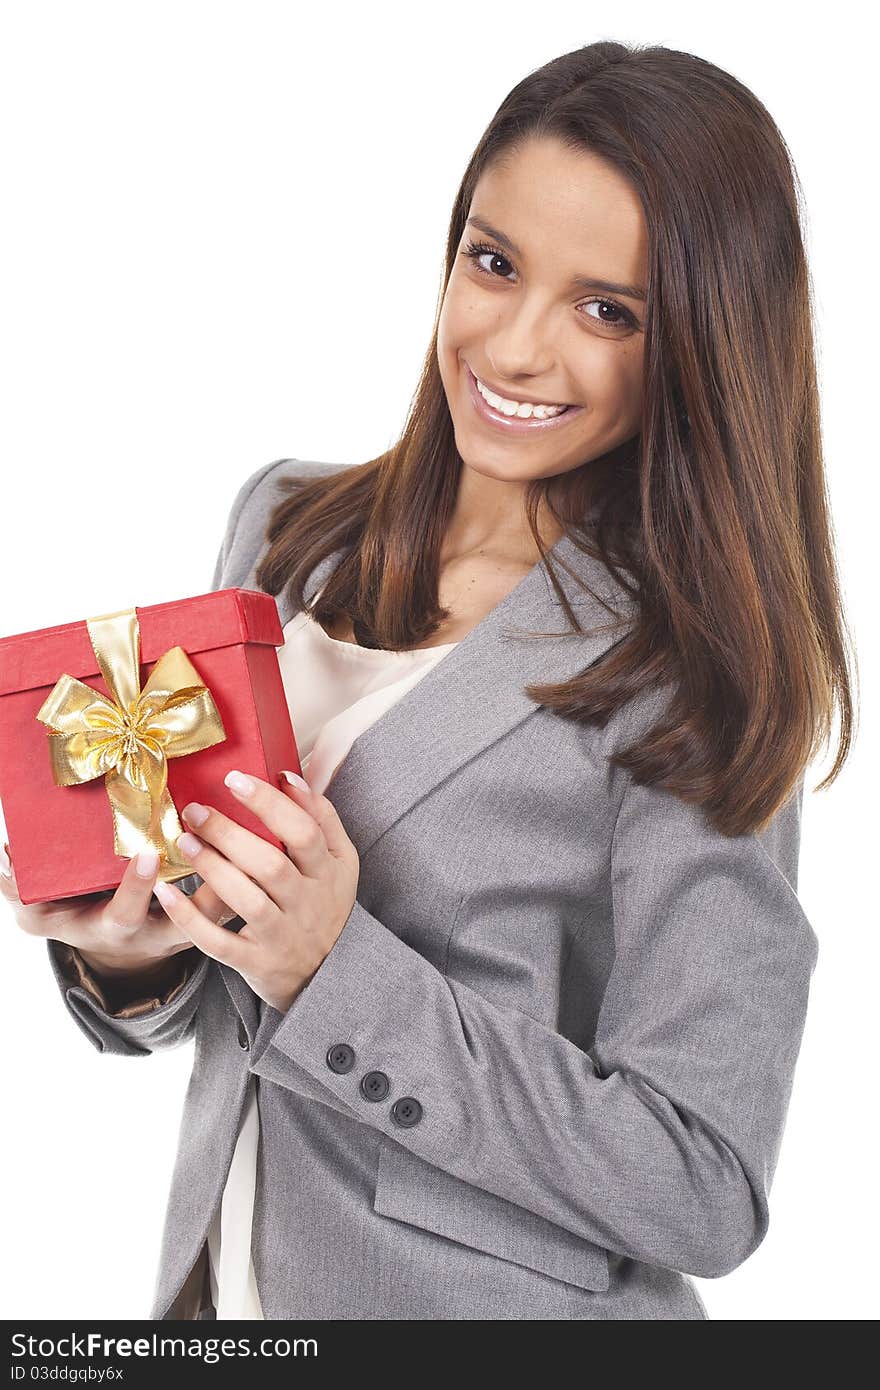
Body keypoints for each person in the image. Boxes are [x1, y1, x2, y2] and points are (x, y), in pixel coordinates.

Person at [2, 40, 854, 1320]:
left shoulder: (695, 677)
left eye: (606, 309)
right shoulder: (288, 530)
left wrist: (332, 967)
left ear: (702, 343)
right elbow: (234, 1004)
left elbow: (702, 1182)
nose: (512, 348)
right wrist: (139, 959)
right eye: (493, 262)